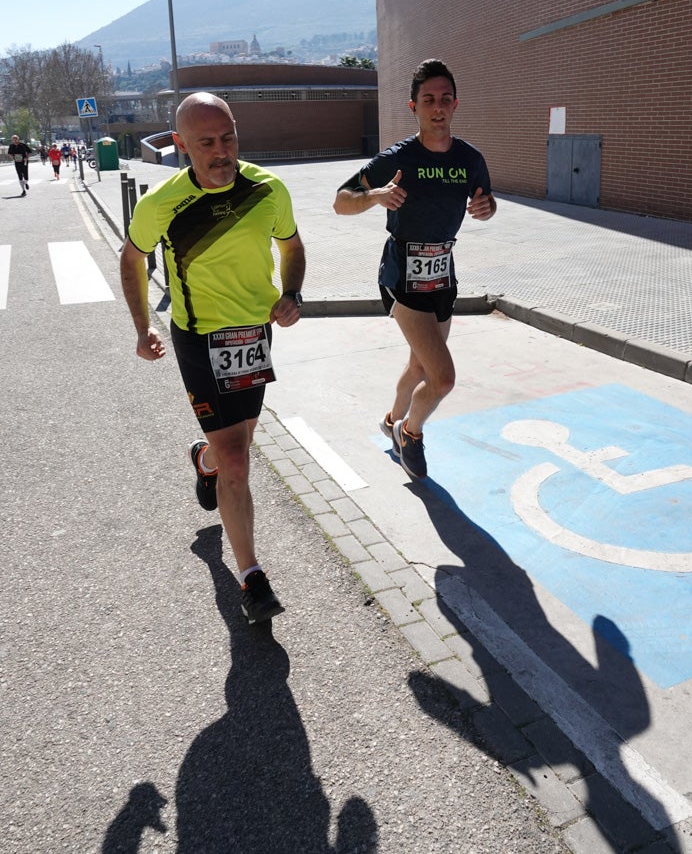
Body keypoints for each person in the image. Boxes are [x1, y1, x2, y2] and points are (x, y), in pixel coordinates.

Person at [120, 92, 305, 624]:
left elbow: (292, 248)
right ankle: (251, 576)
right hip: (199, 339)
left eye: (229, 138)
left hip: (253, 336)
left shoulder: (267, 189)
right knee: (240, 461)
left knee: (236, 447)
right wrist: (141, 328)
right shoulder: (161, 203)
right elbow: (132, 259)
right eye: (206, 142)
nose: (221, 151)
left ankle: (205, 461)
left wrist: (292, 295)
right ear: (180, 145)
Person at [333, 58, 496, 482]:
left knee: (420, 367)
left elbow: (486, 202)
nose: (437, 107)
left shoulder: (470, 158)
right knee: (442, 379)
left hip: (443, 275)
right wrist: (375, 197)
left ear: (455, 104)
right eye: (428, 100)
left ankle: (389, 420)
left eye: (445, 99)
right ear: (414, 107)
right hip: (403, 276)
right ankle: (411, 433)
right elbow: (341, 199)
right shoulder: (398, 158)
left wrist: (486, 208)